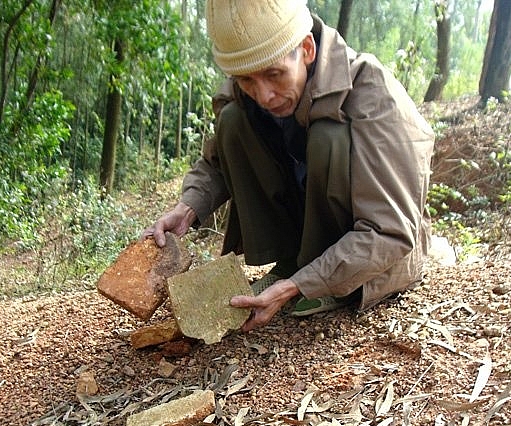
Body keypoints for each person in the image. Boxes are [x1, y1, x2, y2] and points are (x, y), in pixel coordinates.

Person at [142, 0, 434, 332]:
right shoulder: (251, 88)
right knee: (234, 120)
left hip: (375, 257)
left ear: (307, 49)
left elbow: (390, 232)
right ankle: (292, 261)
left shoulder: (374, 96)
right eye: (247, 81)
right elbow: (218, 161)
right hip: (306, 236)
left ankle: (320, 276)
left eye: (274, 75)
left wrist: (302, 284)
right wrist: (188, 207)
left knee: (329, 136)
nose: (264, 95)